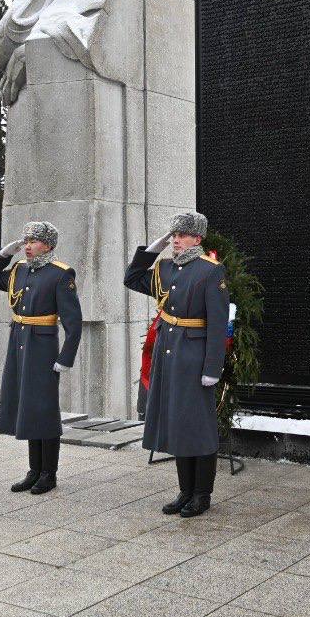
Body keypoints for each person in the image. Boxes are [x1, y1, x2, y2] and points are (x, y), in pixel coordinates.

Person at [123, 211, 229, 518]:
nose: (175, 240)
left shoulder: (210, 271)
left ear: (197, 238)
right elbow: (131, 279)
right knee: (178, 424)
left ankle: (202, 494)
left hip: (193, 358)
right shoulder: (165, 267)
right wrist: (150, 252)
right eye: (173, 235)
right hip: (168, 354)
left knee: (198, 426)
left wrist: (212, 368)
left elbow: (218, 323)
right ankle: (185, 491)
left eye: (181, 235)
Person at [0, 221, 82, 495]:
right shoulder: (19, 270)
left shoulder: (61, 275)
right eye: (26, 240)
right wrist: (3, 254)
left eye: (34, 241)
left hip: (42, 347)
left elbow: (74, 322)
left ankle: (48, 473)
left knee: (45, 410)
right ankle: (34, 470)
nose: (27, 246)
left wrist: (65, 358)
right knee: (27, 408)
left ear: (48, 245)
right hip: (19, 343)